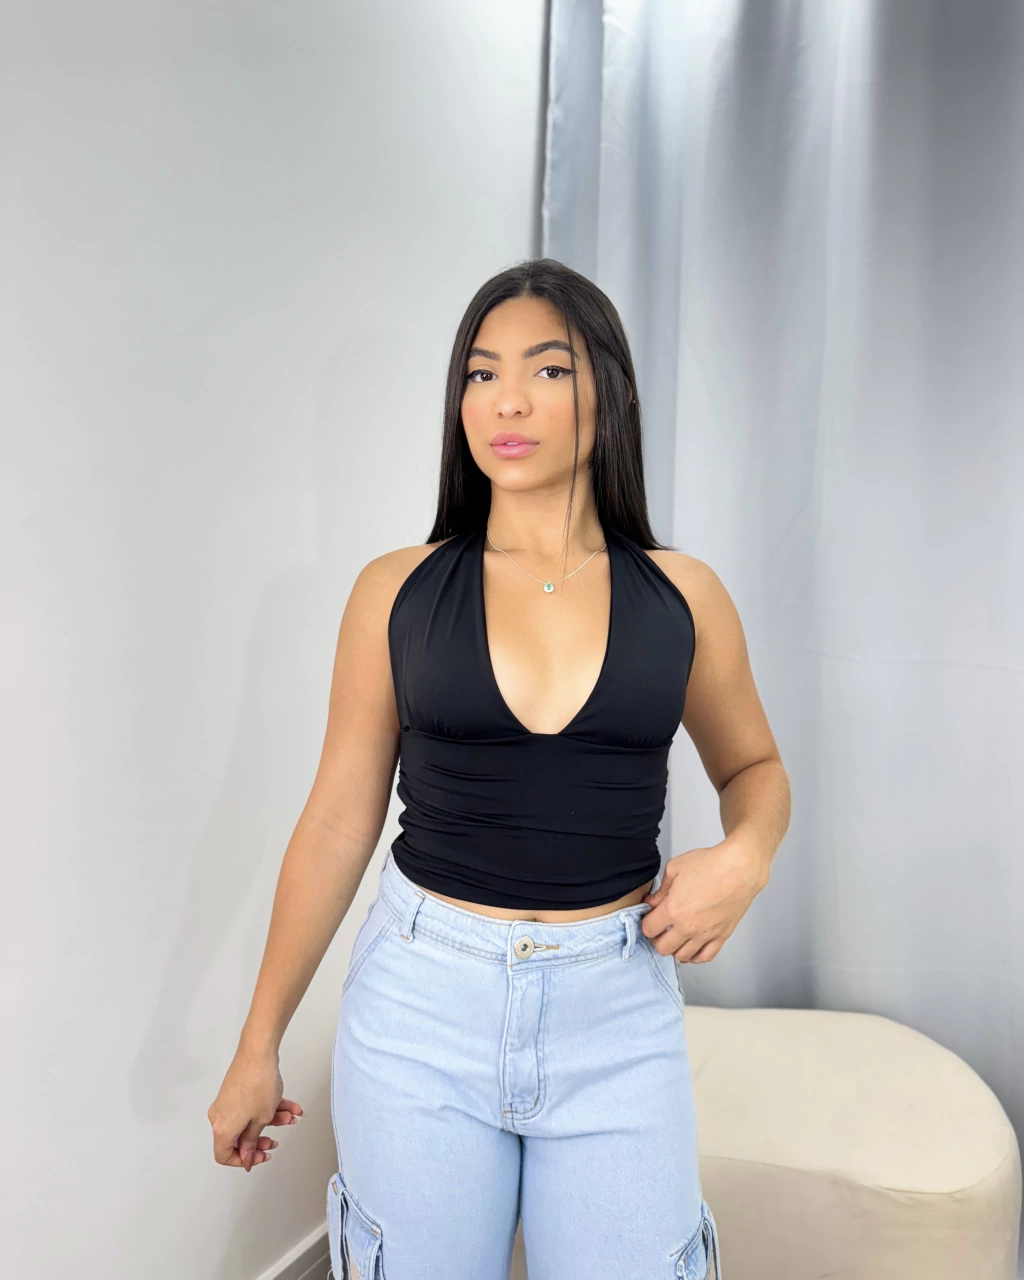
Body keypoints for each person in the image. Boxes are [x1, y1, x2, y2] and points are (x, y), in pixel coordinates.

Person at [208, 258, 790, 1280]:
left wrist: (746, 856)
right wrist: (259, 1040)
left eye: (547, 369)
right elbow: (338, 821)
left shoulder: (683, 596)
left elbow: (755, 767)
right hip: (421, 1004)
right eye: (481, 373)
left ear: (608, 392)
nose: (506, 400)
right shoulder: (394, 591)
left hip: (615, 1010)